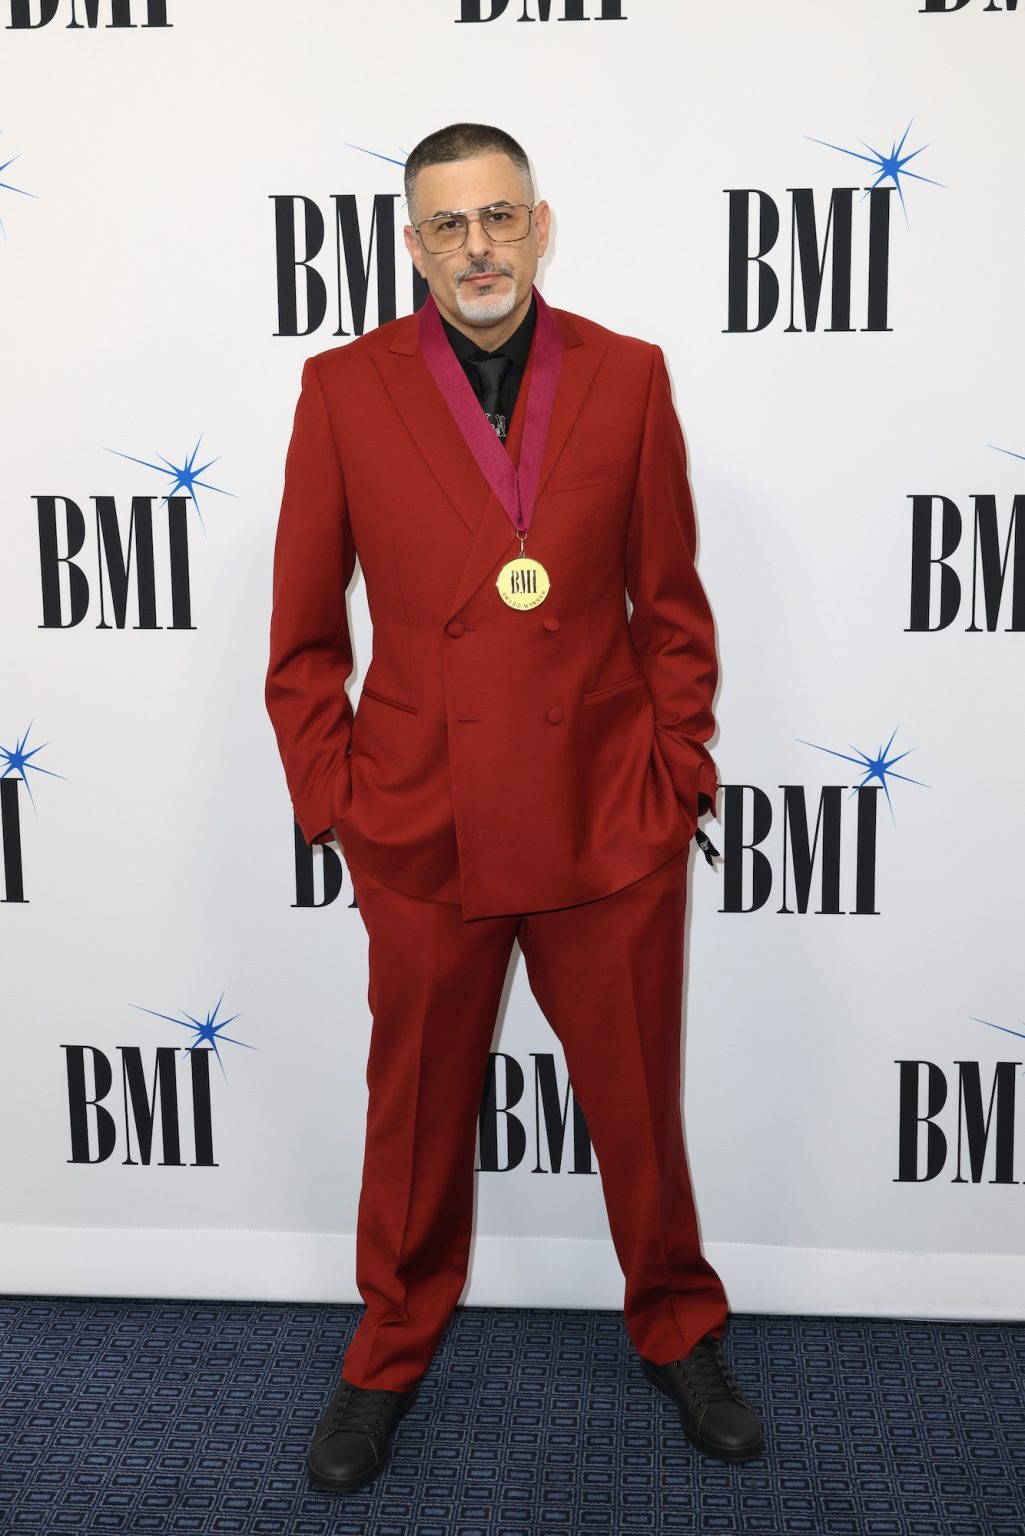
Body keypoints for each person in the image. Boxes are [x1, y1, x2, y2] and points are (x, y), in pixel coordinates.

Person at [265, 122, 764, 1495]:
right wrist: (342, 801)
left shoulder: (626, 377)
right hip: (424, 826)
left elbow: (670, 608)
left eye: (498, 219)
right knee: (412, 1116)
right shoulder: (344, 391)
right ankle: (387, 1349)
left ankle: (677, 1325)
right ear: (411, 243)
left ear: (540, 225)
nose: (475, 248)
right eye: (445, 225)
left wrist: (675, 773)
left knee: (634, 1108)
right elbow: (303, 638)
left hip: (607, 820)